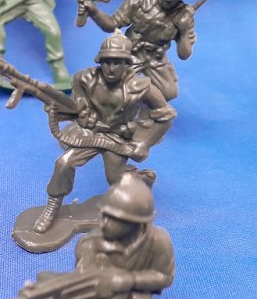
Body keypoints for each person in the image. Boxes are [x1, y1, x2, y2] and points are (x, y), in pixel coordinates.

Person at [33, 30, 176, 233]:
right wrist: (57, 111)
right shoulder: (85, 79)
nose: (110, 68)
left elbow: (166, 115)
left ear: (127, 63)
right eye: (106, 61)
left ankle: (142, 179)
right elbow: (77, 108)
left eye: (117, 62)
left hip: (118, 139)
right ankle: (52, 207)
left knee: (115, 179)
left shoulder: (141, 86)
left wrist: (144, 144)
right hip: (90, 134)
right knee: (63, 163)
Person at [65, 174, 174, 299]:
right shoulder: (90, 242)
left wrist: (129, 280)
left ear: (138, 222)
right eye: (104, 215)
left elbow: (164, 277)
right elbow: (82, 277)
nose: (104, 224)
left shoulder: (158, 241)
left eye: (115, 219)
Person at [80, 0, 197, 101]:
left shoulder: (184, 15)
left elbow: (184, 55)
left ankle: (143, 105)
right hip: (131, 54)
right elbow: (112, 25)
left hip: (156, 58)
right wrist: (94, 12)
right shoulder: (139, 0)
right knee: (113, 89)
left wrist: (183, 30)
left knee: (169, 93)